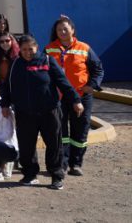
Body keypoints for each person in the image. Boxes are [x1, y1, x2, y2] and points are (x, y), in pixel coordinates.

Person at [1, 35, 83, 190]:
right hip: (25, 113)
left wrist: (76, 100)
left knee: (54, 144)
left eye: (30, 49)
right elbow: (7, 86)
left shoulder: (47, 60)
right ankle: (30, 174)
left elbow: (63, 82)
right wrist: (5, 104)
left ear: (36, 47)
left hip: (49, 111)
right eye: (24, 49)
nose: (27, 53)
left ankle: (56, 176)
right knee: (26, 146)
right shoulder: (15, 64)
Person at [45, 15, 104, 176]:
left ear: (72, 30)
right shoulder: (49, 49)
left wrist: (91, 86)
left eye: (65, 28)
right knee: (60, 131)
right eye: (59, 29)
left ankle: (76, 163)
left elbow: (98, 68)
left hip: (81, 96)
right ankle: (62, 163)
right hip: (58, 98)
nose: (62, 32)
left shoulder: (84, 48)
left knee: (80, 130)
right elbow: (42, 72)